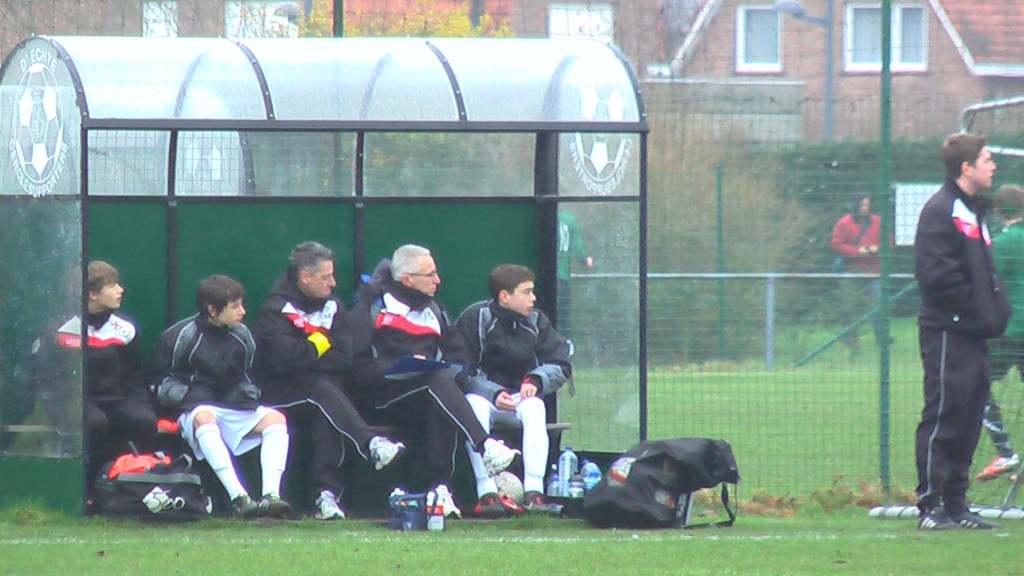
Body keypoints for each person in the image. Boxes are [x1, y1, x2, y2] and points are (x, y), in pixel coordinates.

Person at [338, 244, 520, 512]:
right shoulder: (369, 311)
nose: (438, 280)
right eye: (430, 275)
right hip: (381, 398)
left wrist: (445, 370)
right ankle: (485, 445)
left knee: (438, 392)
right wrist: (399, 366)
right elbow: (354, 369)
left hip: (427, 393)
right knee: (435, 383)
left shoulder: (436, 312)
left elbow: (460, 361)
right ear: (407, 280)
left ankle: (439, 490)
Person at [254, 241, 406, 521]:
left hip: (323, 392)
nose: (333, 283)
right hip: (280, 394)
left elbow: (344, 358)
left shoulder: (335, 307)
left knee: (326, 403)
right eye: (326, 277)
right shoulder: (275, 310)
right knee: (323, 392)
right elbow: (284, 361)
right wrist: (322, 342)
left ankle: (327, 496)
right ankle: (370, 444)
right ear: (305, 277)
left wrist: (307, 351)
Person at [913, 133, 1010, 530]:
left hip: (974, 334)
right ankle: (931, 506)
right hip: (948, 332)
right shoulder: (941, 210)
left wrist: (993, 313)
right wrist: (973, 311)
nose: (993, 166)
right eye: (986, 160)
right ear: (966, 167)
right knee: (945, 414)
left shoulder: (972, 212)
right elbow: (937, 277)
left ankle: (957, 504)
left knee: (970, 416)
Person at [152, 274, 291, 519]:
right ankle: (239, 498)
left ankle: (271, 496)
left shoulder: (243, 335)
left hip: (233, 407)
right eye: (235, 306)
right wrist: (188, 397)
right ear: (213, 309)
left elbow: (251, 375)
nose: (242, 311)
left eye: (242, 304)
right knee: (204, 416)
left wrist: (246, 395)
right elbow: (161, 380)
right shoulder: (180, 335)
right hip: (195, 409)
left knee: (276, 419)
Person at [451, 264, 572, 517]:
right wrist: (493, 393)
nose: (533, 298)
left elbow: (560, 364)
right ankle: (487, 494)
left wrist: (536, 381)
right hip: (484, 397)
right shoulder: (475, 318)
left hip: (520, 397)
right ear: (504, 296)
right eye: (526, 292)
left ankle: (534, 493)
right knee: (473, 405)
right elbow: (461, 370)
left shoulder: (537, 320)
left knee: (535, 406)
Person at [29, 262, 158, 492]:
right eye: (112, 285)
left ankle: (134, 486)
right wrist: (60, 406)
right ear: (92, 294)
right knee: (95, 424)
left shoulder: (126, 329)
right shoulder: (59, 329)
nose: (121, 290)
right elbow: (49, 377)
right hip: (75, 401)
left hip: (115, 399)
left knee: (144, 420)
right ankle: (91, 488)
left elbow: (132, 375)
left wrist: (142, 406)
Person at [976, 185, 1024, 481]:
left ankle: (1005, 452)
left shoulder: (1002, 244)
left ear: (997, 211)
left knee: (976, 384)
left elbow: (987, 284)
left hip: (1010, 329)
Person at [830, 195, 884, 348]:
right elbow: (836, 244)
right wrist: (856, 251)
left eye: (867, 205)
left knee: (879, 306)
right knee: (848, 307)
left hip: (874, 271)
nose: (865, 208)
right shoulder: (844, 223)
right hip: (852, 271)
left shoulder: (878, 221)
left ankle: (882, 339)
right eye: (862, 205)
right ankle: (850, 339)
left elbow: (889, 241)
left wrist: (877, 248)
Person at [557, 211, 593, 339]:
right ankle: (565, 340)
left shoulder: (538, 214)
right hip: (562, 276)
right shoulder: (569, 220)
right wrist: (584, 259)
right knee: (563, 314)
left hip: (542, 277)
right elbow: (577, 246)